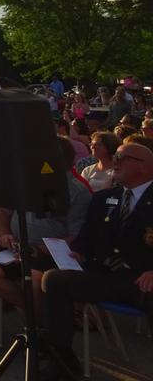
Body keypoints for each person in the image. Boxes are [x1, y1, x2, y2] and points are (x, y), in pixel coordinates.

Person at [40, 142, 153, 381]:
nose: (115, 162)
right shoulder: (105, 198)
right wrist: (78, 252)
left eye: (121, 157)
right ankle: (62, 359)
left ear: (143, 167)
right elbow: (87, 237)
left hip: (142, 278)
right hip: (106, 274)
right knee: (55, 280)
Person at [0, 137, 92, 317]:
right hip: (18, 247)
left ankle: (40, 327)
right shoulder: (24, 183)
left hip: (51, 253)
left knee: (34, 279)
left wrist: (39, 249)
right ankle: (38, 317)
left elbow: (76, 235)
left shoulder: (77, 191)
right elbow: (3, 212)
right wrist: (5, 234)